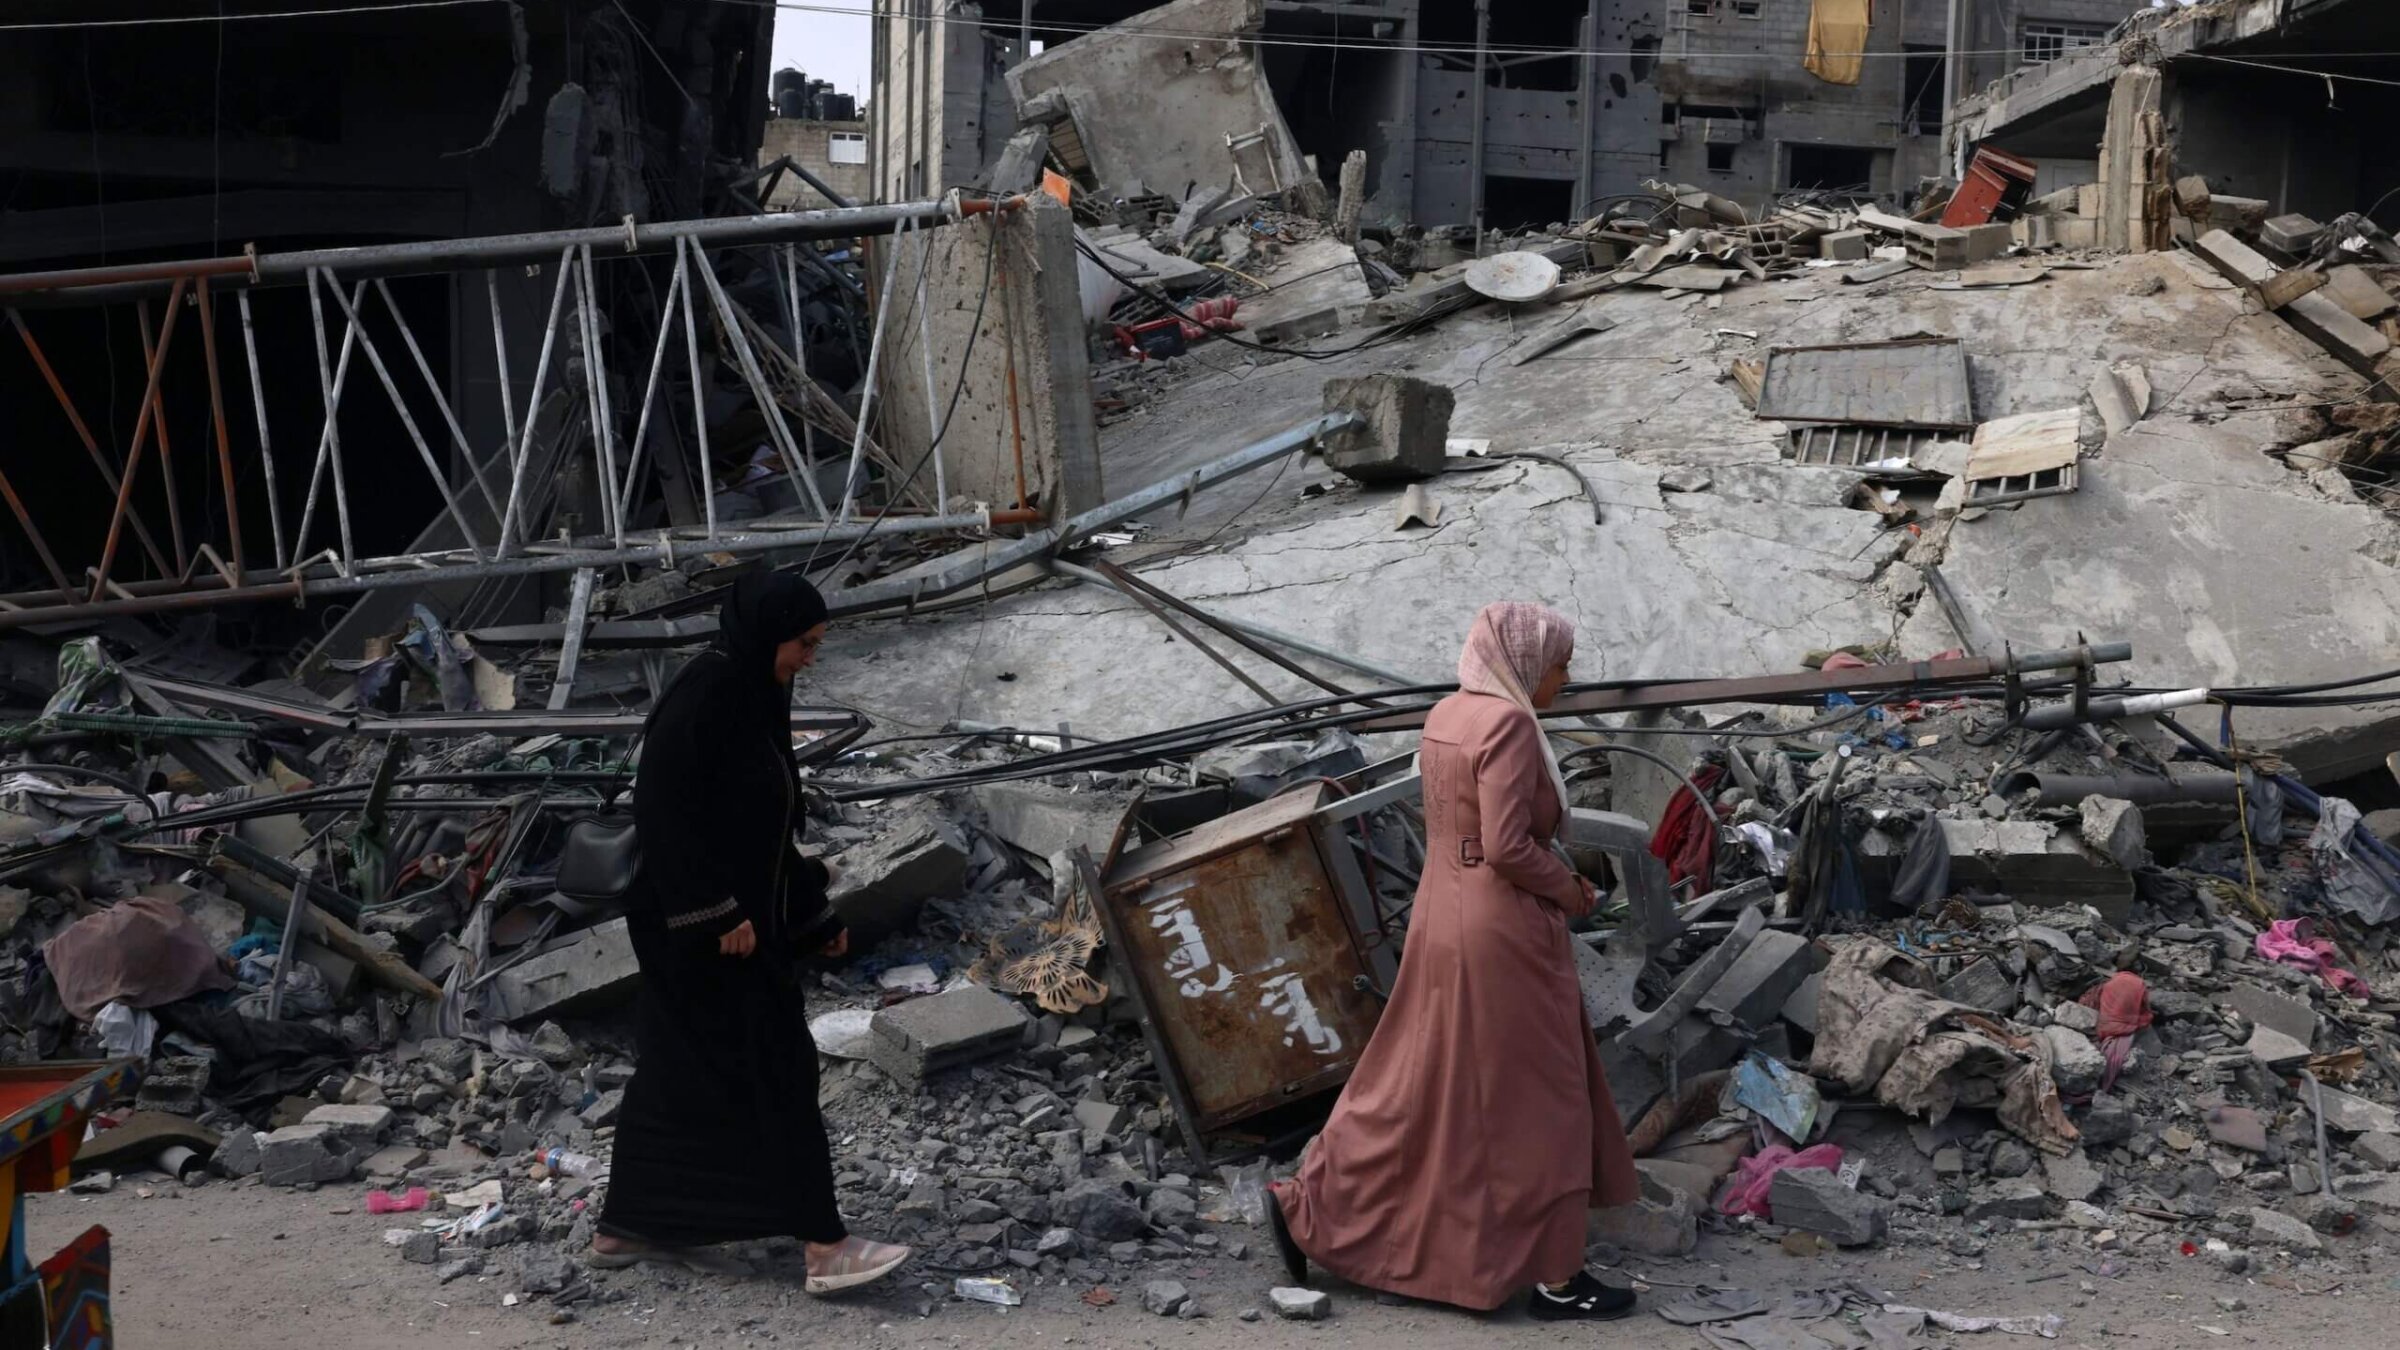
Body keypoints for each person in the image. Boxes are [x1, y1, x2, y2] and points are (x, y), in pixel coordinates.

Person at [1267, 601, 1640, 1321]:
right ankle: (1558, 1279)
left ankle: (1306, 1207)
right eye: (1560, 661)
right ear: (1525, 662)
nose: (1566, 676)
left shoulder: (1448, 714)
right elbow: (1506, 846)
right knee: (1543, 1101)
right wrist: (1571, 891)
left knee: (1420, 1089)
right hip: (1499, 933)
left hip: (1444, 916)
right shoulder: (1507, 725)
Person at [591, 571, 910, 1294]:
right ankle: (825, 1246)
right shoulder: (707, 695)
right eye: (804, 643)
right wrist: (715, 912)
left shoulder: (752, 697)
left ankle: (631, 1226)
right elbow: (664, 813)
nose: (810, 658)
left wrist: (809, 914)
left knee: (684, 1074)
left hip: (732, 926)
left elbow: (759, 833)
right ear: (768, 634)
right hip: (696, 932)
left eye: (816, 643)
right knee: (778, 1071)